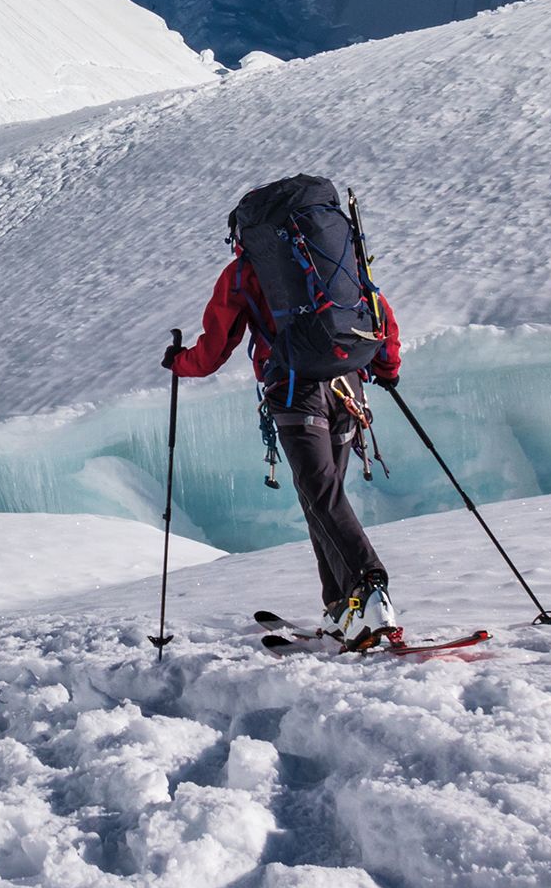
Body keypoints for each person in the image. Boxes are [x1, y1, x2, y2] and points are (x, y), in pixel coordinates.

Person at [163, 193, 404, 648]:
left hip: (296, 394)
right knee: (322, 496)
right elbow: (378, 313)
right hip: (348, 388)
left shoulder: (243, 273)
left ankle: (370, 590)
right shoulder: (334, 262)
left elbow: (215, 348)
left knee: (320, 494)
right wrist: (387, 369)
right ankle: (341, 607)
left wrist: (180, 363)